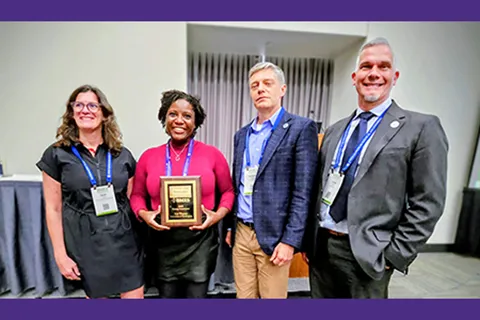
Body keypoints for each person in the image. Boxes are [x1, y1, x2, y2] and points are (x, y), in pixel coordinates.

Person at [303, 37, 449, 298]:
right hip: (322, 249)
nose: (373, 74)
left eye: (383, 67)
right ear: (354, 76)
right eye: (366, 66)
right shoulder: (336, 130)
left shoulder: (421, 128)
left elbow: (428, 202)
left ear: (395, 76)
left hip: (369, 255)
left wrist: (394, 255)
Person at [36, 84, 144, 299]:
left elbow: (133, 199)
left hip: (125, 240)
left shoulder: (122, 154)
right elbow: (53, 208)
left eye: (93, 105)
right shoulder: (56, 155)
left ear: (104, 114)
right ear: (71, 112)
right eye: (79, 105)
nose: (85, 110)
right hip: (86, 242)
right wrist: (60, 255)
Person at [224, 62, 319, 299]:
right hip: (242, 232)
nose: (260, 89)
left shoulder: (300, 128)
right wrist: (229, 226)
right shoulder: (242, 134)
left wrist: (290, 241)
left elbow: (303, 191)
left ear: (282, 89)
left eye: (268, 83)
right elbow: (238, 185)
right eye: (255, 85)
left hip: (275, 237)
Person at [130, 89, 234, 299]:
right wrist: (144, 214)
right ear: (164, 118)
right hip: (162, 241)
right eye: (173, 114)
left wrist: (218, 216)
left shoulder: (212, 154)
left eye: (187, 116)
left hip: (200, 241)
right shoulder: (148, 156)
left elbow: (228, 192)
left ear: (195, 123)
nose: (179, 120)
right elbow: (137, 195)